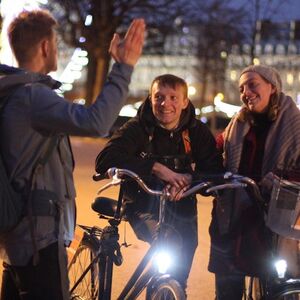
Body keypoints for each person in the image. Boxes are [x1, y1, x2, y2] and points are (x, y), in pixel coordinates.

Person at [0, 9, 145, 300]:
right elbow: (96, 122)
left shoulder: (12, 94)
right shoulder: (33, 97)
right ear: (44, 46)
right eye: (55, 43)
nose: (57, 49)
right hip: (38, 238)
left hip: (19, 237)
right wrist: (124, 68)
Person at [95, 74, 223, 292]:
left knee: (180, 268)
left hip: (183, 207)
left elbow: (214, 170)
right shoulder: (138, 128)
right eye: (159, 97)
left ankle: (169, 290)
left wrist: (190, 179)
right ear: (151, 98)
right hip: (143, 204)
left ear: (185, 102)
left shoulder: (196, 132)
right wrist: (156, 168)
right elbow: (104, 159)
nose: (166, 104)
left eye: (174, 98)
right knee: (168, 243)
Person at [208, 64, 300, 300]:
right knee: (227, 289)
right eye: (241, 88)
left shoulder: (295, 123)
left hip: (276, 218)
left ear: (272, 86)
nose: (246, 92)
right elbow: (214, 152)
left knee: (277, 287)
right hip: (236, 216)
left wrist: (281, 178)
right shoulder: (237, 124)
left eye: (252, 84)